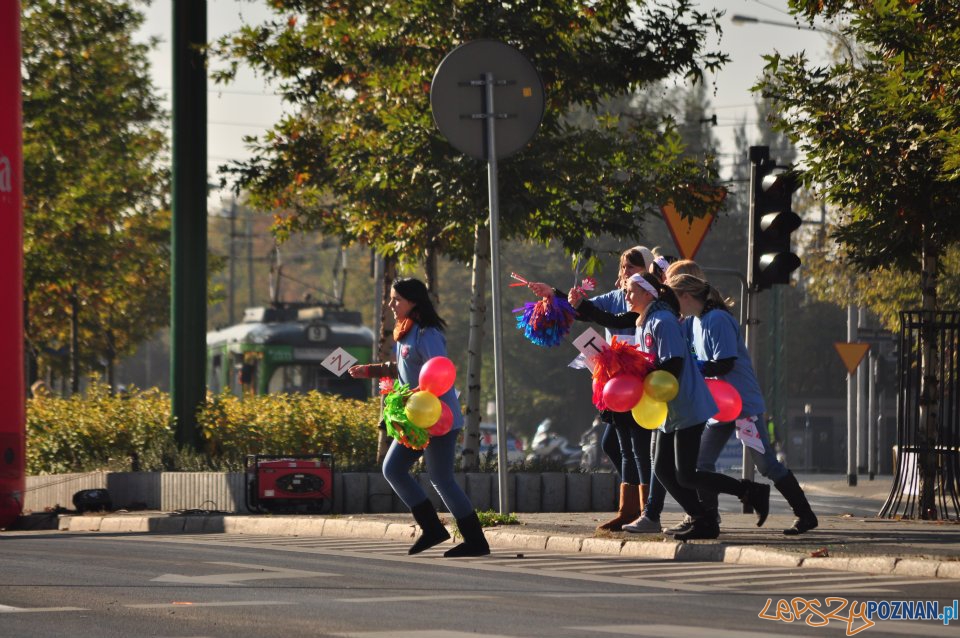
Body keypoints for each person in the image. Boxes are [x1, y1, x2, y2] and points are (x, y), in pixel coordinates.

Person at [573, 272, 770, 540]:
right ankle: (704, 518)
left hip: (686, 403)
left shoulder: (662, 320)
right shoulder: (644, 319)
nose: (625, 295)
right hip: (668, 407)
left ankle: (747, 493)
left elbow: (672, 364)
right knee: (665, 471)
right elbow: (611, 320)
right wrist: (576, 305)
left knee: (685, 474)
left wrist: (640, 376)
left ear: (647, 293)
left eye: (630, 290)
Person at [666, 270, 818, 536]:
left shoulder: (717, 319)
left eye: (673, 298)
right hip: (719, 405)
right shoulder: (693, 322)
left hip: (741, 403)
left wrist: (694, 368)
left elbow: (725, 362)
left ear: (686, 296)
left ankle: (805, 515)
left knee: (766, 464)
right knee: (701, 462)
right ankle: (707, 520)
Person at [528, 246, 667, 533]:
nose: (626, 272)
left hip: (638, 382)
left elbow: (611, 320)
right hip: (614, 383)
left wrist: (584, 306)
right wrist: (554, 294)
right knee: (617, 446)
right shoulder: (618, 296)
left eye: (633, 266)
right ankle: (630, 510)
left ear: (648, 272)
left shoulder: (649, 303)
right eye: (624, 266)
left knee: (636, 449)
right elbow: (582, 313)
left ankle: (647, 511)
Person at [348, 277, 489, 557]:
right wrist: (368, 370)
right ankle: (432, 528)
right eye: (391, 299)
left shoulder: (427, 333)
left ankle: (475, 540)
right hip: (416, 417)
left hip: (438, 418)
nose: (391, 304)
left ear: (413, 301)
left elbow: (439, 372)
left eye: (396, 299)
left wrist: (422, 402)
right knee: (393, 469)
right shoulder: (406, 331)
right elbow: (402, 368)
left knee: (441, 477)